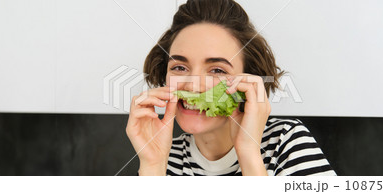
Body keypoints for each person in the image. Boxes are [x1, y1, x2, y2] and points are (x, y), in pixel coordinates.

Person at [126, 0, 336, 176]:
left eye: (217, 70)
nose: (193, 84)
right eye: (179, 67)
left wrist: (248, 152)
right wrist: (153, 166)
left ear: (249, 82)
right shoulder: (164, 155)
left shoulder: (286, 142)